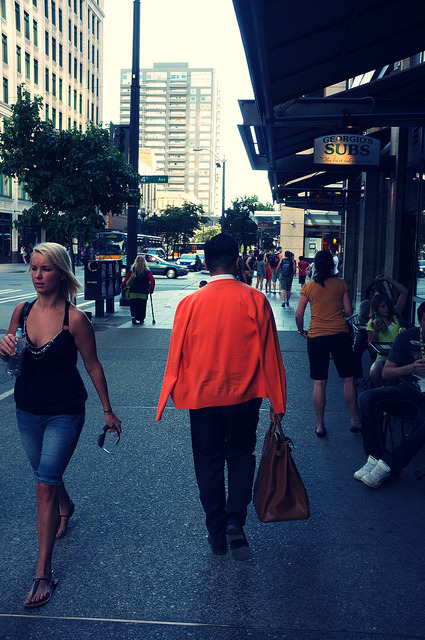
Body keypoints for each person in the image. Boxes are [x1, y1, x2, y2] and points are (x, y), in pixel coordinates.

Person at [0, 242, 121, 608]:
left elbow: (93, 365)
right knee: (45, 477)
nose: (37, 275)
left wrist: (108, 411)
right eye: (33, 268)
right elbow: (13, 361)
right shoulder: (21, 312)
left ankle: (43, 572)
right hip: (26, 410)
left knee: (43, 486)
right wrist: (4, 347)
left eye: (45, 269)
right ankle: (66, 506)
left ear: (62, 273)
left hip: (66, 412)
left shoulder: (75, 319)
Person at [156, 233, 286, 560]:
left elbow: (176, 355)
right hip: (246, 394)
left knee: (208, 461)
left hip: (200, 395)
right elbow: (271, 354)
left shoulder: (189, 304)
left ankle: (216, 533)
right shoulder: (256, 300)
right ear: (237, 260)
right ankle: (235, 521)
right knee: (241, 454)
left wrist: (167, 393)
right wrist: (278, 402)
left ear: (205, 262)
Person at [355, 301, 425, 488]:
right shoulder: (407, 337)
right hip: (408, 391)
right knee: (366, 398)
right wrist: (410, 368)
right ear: (419, 321)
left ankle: (389, 465)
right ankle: (375, 456)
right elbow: (386, 373)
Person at [295, 249, 360, 437]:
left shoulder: (309, 287)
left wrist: (301, 331)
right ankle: (355, 420)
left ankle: (320, 425)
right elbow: (348, 311)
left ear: (315, 266)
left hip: (316, 337)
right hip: (340, 335)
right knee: (348, 378)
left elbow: (299, 314)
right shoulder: (341, 284)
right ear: (333, 266)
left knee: (319, 382)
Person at [366, 293, 401, 386]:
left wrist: (388, 279)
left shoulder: (395, 317)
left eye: (388, 305)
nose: (387, 308)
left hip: (398, 353)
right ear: (376, 308)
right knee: (374, 371)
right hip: (383, 356)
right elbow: (372, 349)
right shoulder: (372, 323)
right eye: (383, 306)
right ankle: (383, 389)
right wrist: (376, 332)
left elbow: (405, 292)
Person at [122, 255, 155, 325]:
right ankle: (141, 318)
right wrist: (151, 290)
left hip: (133, 291)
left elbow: (126, 279)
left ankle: (133, 316)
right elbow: (152, 280)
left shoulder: (132, 271)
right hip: (143, 292)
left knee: (133, 305)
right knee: (142, 305)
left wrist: (122, 286)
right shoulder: (147, 271)